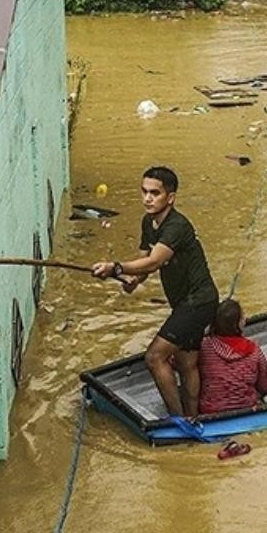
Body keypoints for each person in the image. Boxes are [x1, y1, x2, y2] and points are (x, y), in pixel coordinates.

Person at [92, 166, 220, 417]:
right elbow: (144, 263)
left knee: (154, 357)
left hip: (198, 301)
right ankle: (193, 416)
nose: (147, 198)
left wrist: (115, 266)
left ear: (170, 198)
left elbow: (154, 261)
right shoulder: (148, 222)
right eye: (144, 192)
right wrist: (132, 280)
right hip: (185, 302)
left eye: (155, 193)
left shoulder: (177, 226)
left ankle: (179, 420)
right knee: (185, 363)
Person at [197, 299, 267, 414]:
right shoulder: (254, 350)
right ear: (239, 324)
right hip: (247, 407)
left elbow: (177, 362)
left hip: (211, 410)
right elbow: (264, 386)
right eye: (242, 317)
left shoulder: (203, 347)